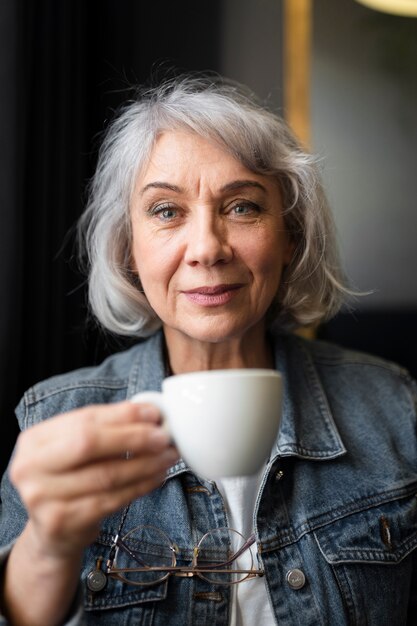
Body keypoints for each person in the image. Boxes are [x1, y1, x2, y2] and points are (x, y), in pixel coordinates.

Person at [0, 73, 416, 626]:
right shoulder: (54, 418)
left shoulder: (394, 407)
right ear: (128, 249)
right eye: (166, 211)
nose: (207, 249)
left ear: (290, 237)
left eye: (242, 207)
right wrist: (48, 546)